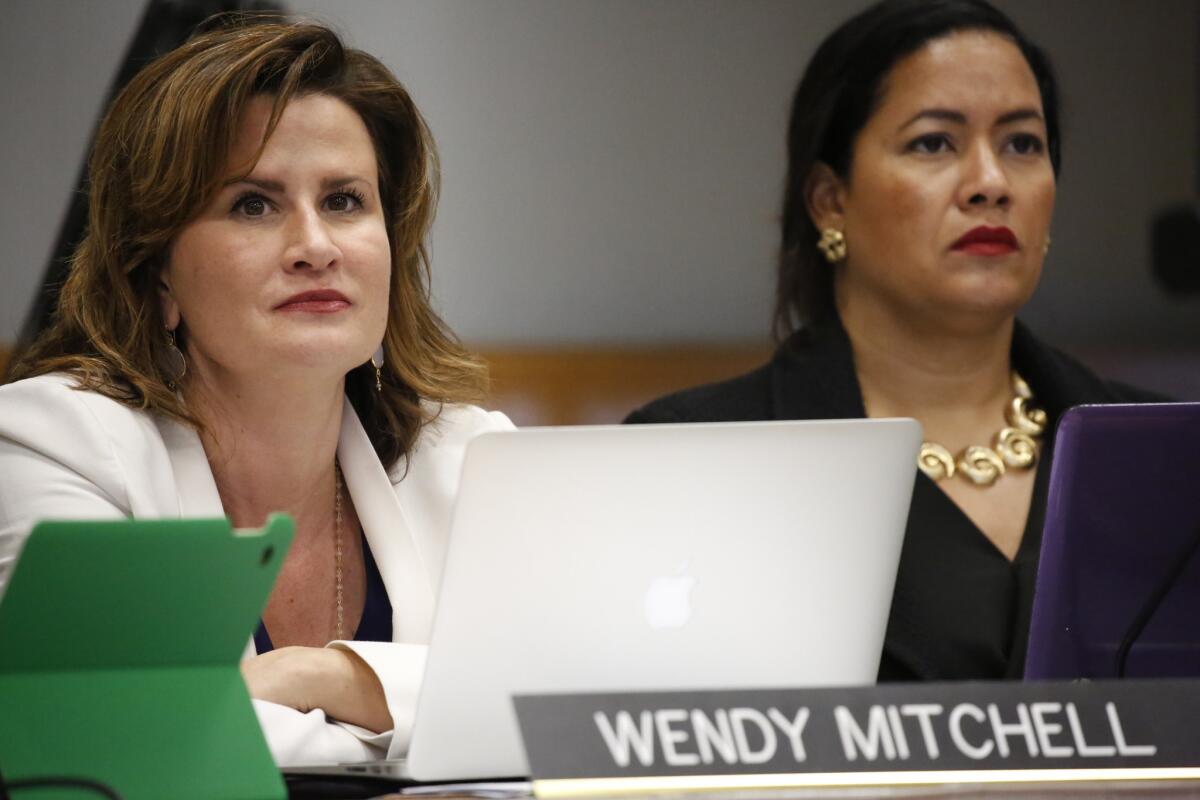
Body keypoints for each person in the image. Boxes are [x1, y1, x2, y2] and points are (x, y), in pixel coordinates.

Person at [0, 18, 512, 763]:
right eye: (253, 204)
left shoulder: (471, 459)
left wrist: (324, 673)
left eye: (343, 200)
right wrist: (435, 715)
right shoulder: (53, 447)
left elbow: (573, 702)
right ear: (157, 272)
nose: (315, 246)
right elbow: (121, 740)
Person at [627, 0, 1159, 681]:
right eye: (934, 142)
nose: (991, 183)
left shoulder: (1158, 455)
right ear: (829, 201)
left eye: (1022, 143)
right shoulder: (689, 457)